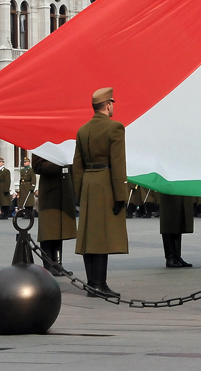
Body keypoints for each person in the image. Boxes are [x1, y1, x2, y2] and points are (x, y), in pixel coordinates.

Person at [72, 87, 129, 298]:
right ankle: (101, 284)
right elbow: (117, 164)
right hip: (105, 184)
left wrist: (77, 194)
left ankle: (91, 284)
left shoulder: (83, 130)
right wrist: (121, 194)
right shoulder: (115, 128)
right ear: (108, 105)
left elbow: (76, 166)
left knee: (89, 237)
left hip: (88, 183)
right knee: (102, 237)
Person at [32, 152, 77, 275]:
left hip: (65, 191)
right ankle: (48, 264)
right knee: (48, 230)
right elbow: (37, 166)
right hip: (49, 193)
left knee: (59, 230)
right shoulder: (42, 144)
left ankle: (58, 264)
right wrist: (58, 162)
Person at [158, 193, 194, 267]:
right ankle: (170, 257)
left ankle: (177, 256)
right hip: (168, 188)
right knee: (168, 221)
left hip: (179, 188)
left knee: (178, 220)